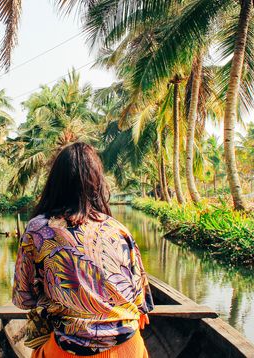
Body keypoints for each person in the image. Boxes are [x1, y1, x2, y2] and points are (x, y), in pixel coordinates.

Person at [12, 142, 154, 357]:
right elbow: (142, 301)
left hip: (69, 350)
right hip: (129, 347)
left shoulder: (37, 229)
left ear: (55, 183)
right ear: (97, 183)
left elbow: (24, 299)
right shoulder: (118, 229)